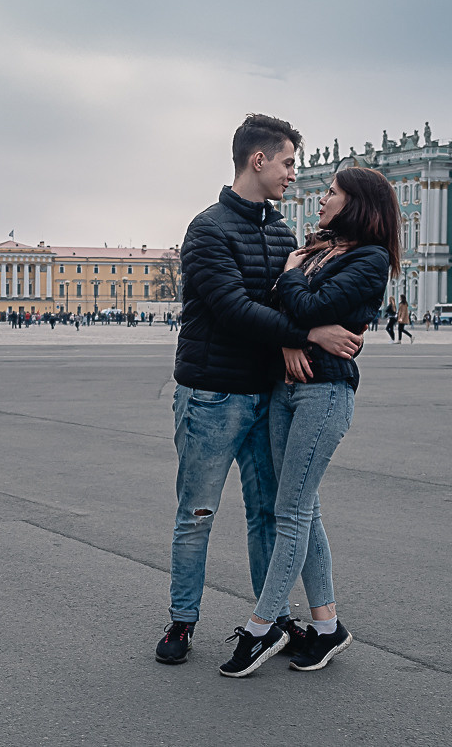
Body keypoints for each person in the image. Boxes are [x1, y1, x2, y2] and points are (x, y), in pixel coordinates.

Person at [155, 114, 363, 666]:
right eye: (290, 162)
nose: (295, 173)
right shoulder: (207, 229)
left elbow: (282, 301)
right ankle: (182, 621)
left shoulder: (283, 233)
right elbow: (232, 310)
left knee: (268, 513)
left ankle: (273, 620)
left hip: (267, 395)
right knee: (196, 513)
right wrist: (305, 334)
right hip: (211, 395)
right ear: (259, 159)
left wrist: (291, 344)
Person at [219, 166, 399, 677]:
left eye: (332, 193)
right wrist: (296, 331)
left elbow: (302, 301)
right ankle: (326, 626)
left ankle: (262, 627)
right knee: (305, 509)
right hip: (286, 386)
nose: (321, 198)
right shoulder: (322, 251)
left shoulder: (370, 259)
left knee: (290, 511)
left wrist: (293, 278)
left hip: (325, 391)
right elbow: (281, 308)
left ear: (356, 203)